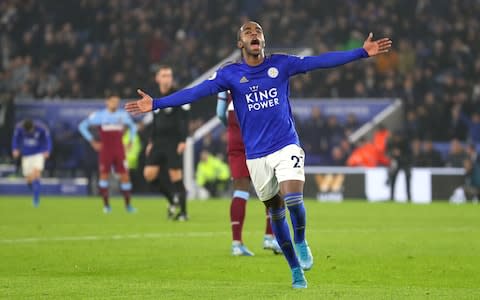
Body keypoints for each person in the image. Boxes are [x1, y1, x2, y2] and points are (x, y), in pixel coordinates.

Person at [125, 21, 391, 288]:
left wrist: (361, 52)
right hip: (256, 156)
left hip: (286, 145)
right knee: (275, 210)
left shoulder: (282, 64)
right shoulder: (230, 74)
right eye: (248, 32)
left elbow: (319, 61)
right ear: (240, 43)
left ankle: (300, 240)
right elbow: (194, 93)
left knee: (294, 198)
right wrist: (157, 104)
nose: (254, 34)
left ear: (263, 40)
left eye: (258, 31)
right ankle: (295, 270)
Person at [217, 90, 282, 256]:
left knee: (240, 190)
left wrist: (231, 128)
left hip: (234, 131)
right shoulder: (258, 71)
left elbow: (219, 113)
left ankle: (236, 244)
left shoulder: (226, 71)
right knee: (273, 187)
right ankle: (270, 237)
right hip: (256, 130)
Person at [142, 66, 190, 221]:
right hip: (157, 141)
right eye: (164, 75)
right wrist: (151, 141)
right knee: (149, 174)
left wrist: (183, 140)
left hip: (173, 141)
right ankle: (172, 200)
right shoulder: (154, 97)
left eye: (169, 75)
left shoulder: (179, 95)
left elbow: (184, 119)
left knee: (175, 176)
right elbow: (155, 122)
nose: (167, 78)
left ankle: (183, 213)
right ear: (158, 78)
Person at [78, 95, 137, 213]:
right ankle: (106, 206)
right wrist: (92, 141)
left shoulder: (123, 115)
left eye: (116, 101)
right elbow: (82, 126)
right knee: (104, 176)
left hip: (119, 150)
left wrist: (130, 140)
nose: (114, 104)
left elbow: (132, 126)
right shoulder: (99, 115)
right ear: (107, 102)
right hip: (106, 150)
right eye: (112, 101)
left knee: (125, 176)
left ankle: (128, 206)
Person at [12, 119, 52, 207]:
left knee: (36, 174)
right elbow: (15, 139)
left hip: (38, 153)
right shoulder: (19, 128)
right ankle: (33, 187)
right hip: (26, 155)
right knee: (29, 178)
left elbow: (48, 139)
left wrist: (47, 150)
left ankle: (36, 200)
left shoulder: (41, 128)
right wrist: (15, 149)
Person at [386, 131, 412, 201]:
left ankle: (409, 197)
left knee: (408, 177)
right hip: (396, 163)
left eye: (398, 137)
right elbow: (387, 152)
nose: (397, 139)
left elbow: (409, 155)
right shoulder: (391, 142)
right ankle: (391, 197)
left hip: (405, 163)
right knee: (392, 178)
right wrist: (392, 153)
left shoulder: (406, 143)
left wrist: (400, 154)